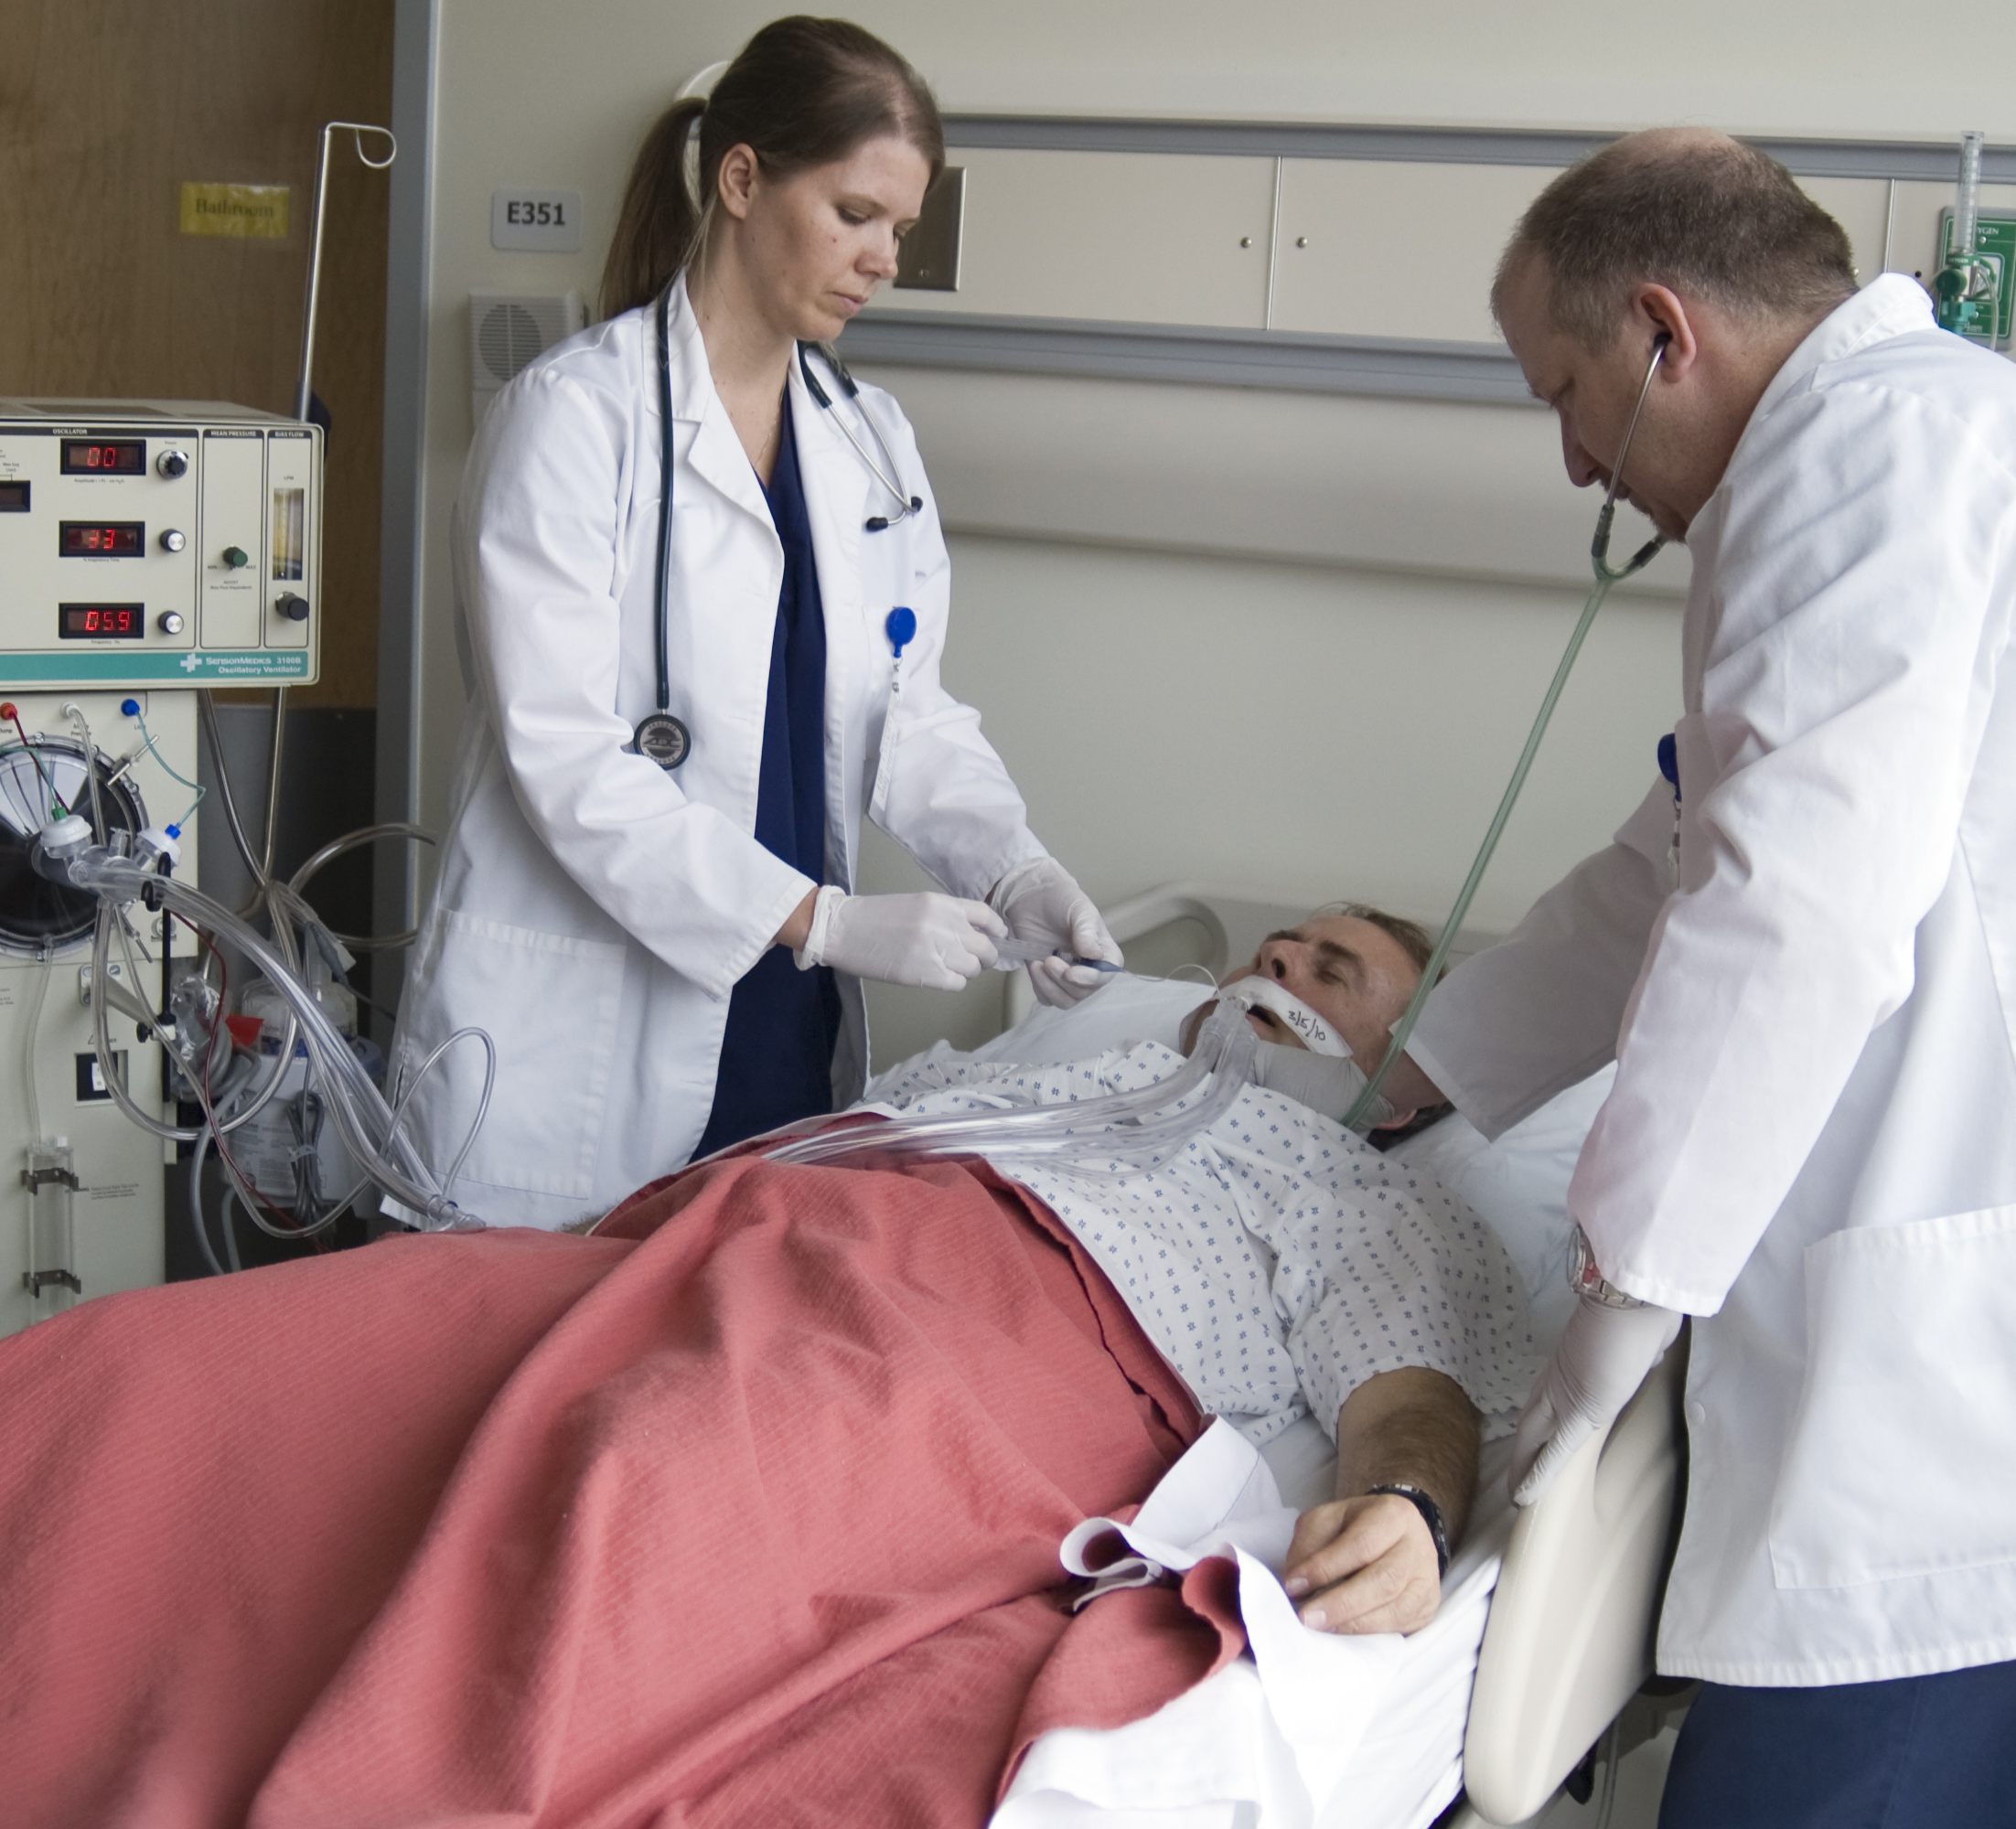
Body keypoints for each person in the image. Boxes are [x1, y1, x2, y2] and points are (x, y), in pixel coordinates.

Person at [0, 904, 1529, 1825]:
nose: (1278, 958)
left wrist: (1408, 1512)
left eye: (1335, 970)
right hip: (710, 1245)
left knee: (628, 1494)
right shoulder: (1063, 1071)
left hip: (983, 1335)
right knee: (241, 1366)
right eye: (1283, 936)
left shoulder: (1356, 1183)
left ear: (1403, 1086)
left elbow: (1407, 1397)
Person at [1361, 129, 2016, 1826]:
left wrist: (1621, 1302)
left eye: (1565, 391)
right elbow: (1677, 855)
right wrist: (1414, 1070)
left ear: (1668, 332)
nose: (1577, 461)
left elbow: (1795, 906)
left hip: (1935, 1418)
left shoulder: (1872, 460)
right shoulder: (1904, 448)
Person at [390, 16, 1119, 1229]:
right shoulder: (574, 420)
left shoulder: (870, 441)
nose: (883, 257)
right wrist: (826, 920)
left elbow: (910, 714)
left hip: (783, 1027)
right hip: (586, 1039)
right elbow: (565, 756)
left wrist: (1016, 863)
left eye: (900, 229)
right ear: (741, 180)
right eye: (854, 213)